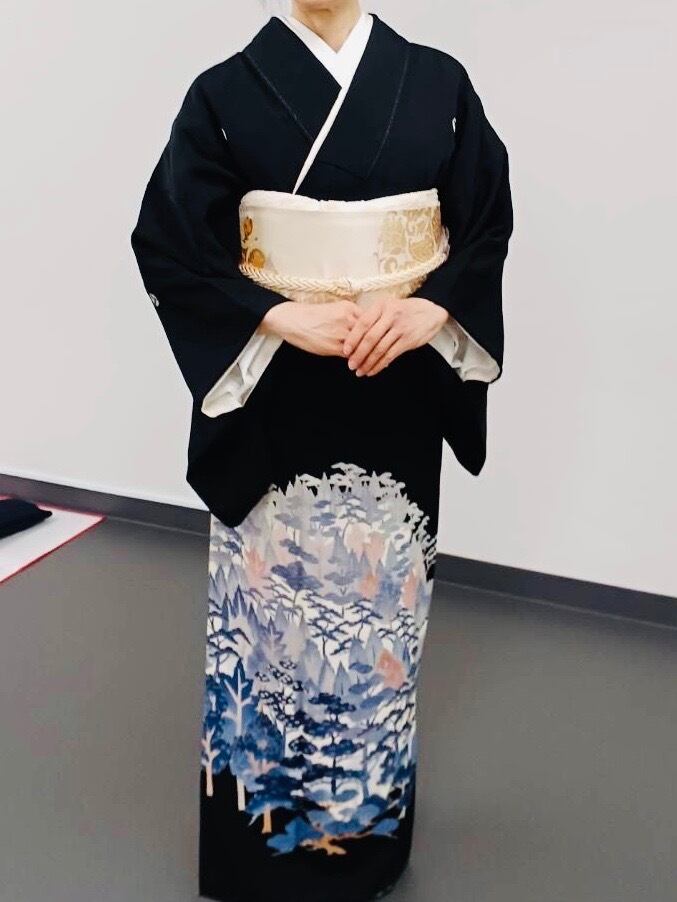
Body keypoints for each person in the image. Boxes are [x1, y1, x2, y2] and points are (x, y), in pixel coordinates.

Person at [130, 2, 512, 900]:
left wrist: (430, 307)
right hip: (278, 396)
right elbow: (169, 242)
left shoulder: (438, 83)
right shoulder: (223, 94)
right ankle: (260, 846)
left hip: (398, 389)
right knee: (268, 624)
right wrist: (274, 315)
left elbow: (484, 223)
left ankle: (365, 840)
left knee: (379, 625)